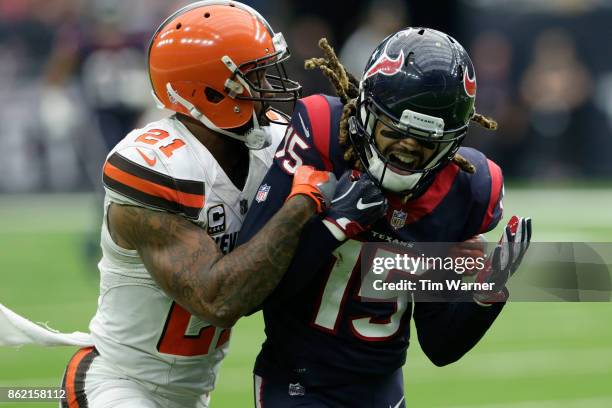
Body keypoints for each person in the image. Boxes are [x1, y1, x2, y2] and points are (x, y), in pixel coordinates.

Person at [53, 2, 386, 407]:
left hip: (193, 394)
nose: (270, 85)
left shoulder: (271, 146)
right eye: (256, 75)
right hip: (120, 384)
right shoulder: (157, 164)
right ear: (212, 89)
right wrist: (302, 204)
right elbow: (217, 300)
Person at [237, 28, 532, 407]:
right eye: (394, 130)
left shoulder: (467, 190)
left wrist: (490, 290)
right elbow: (253, 290)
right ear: (365, 110)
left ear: (452, 143)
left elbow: (441, 346)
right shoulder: (323, 135)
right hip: (297, 383)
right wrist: (333, 226)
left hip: (383, 392)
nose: (408, 147)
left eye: (426, 141)